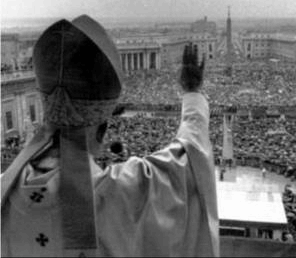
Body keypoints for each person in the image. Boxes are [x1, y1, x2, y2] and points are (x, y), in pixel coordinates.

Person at [1, 15, 219, 257]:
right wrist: (192, 93)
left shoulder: (5, 194)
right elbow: (189, 159)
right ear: (102, 129)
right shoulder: (121, 195)